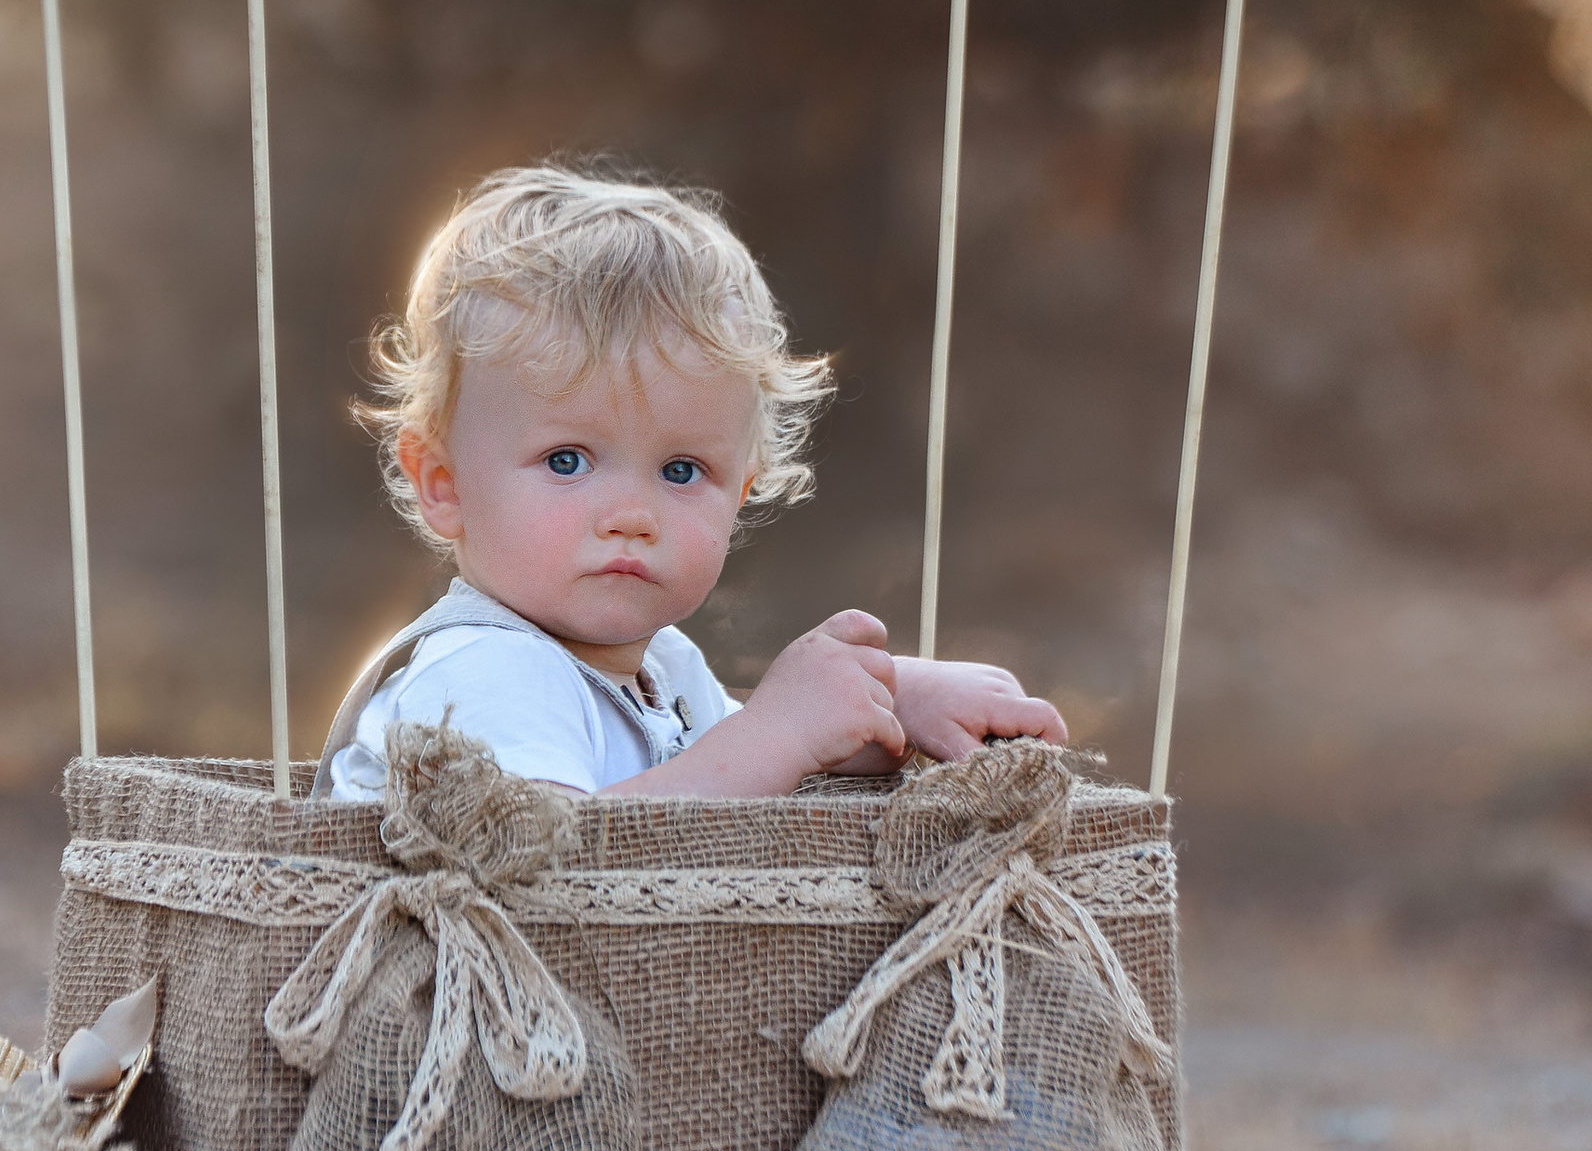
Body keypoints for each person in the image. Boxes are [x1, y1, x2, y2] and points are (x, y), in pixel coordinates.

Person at [319, 162, 1066, 803]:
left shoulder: (664, 667)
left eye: (682, 471)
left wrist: (885, 701)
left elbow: (738, 771)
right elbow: (556, 869)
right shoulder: (486, 672)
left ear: (740, 494)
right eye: (567, 460)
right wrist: (778, 731)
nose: (631, 515)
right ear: (444, 484)